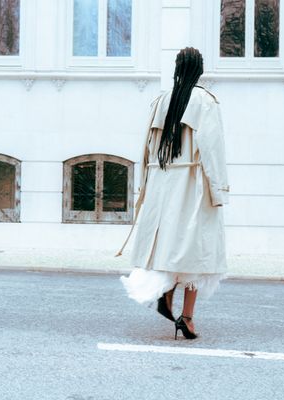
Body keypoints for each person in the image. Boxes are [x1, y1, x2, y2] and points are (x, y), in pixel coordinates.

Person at [118, 47, 229, 340]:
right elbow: (213, 149)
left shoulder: (160, 101)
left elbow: (145, 148)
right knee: (196, 250)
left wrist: (145, 187)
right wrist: (218, 190)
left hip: (161, 182)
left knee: (167, 244)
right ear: (199, 70)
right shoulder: (205, 101)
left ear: (177, 69)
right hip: (192, 184)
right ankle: (187, 317)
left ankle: (166, 295)